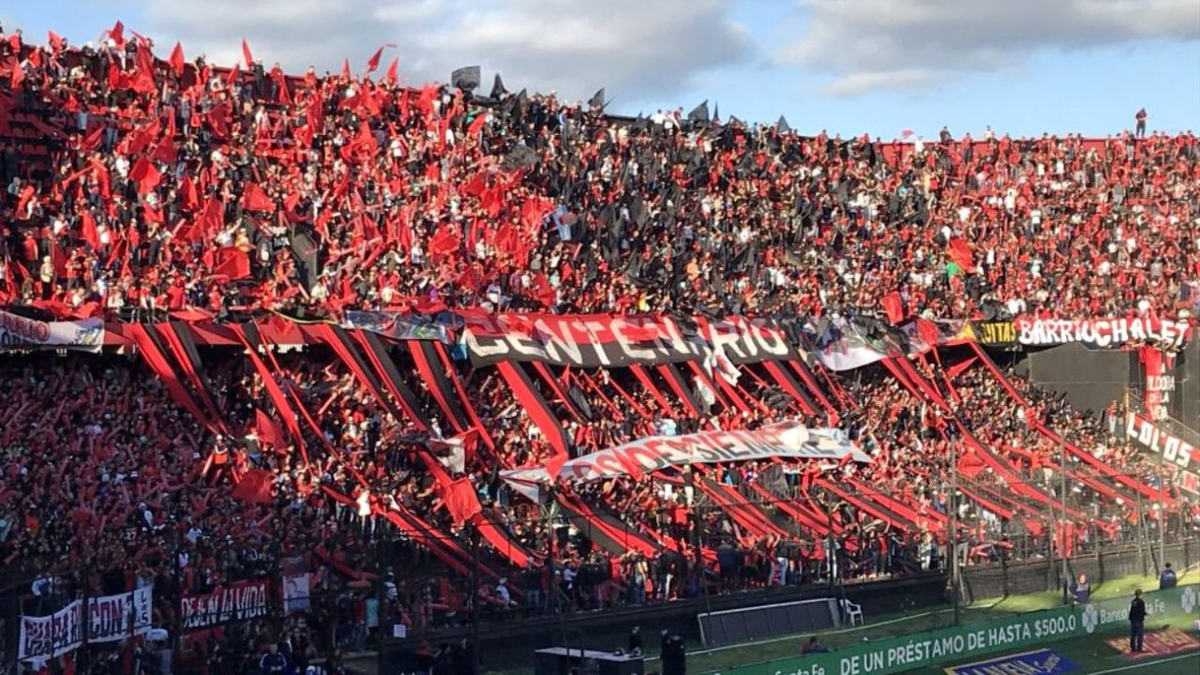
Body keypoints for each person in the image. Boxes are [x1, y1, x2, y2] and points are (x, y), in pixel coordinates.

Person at [1129, 589, 1146, 653]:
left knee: (1133, 635)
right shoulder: (1141, 602)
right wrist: (1145, 614)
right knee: (1140, 635)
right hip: (1138, 620)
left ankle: (1133, 648)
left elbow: (1132, 610)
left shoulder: (1133, 601)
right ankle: (1139, 648)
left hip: (1133, 620)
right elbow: (1141, 611)